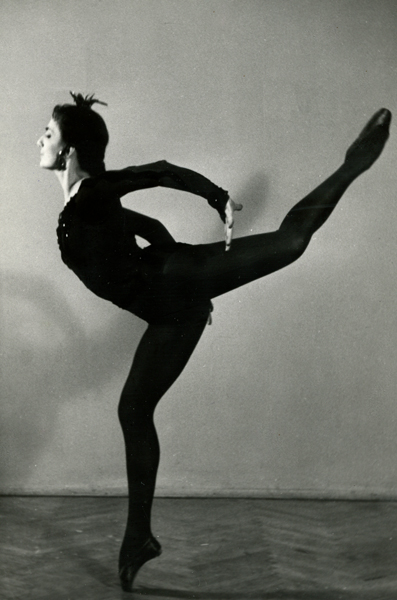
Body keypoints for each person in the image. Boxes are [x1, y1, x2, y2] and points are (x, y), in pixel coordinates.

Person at [37, 92, 391, 592]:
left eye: (48, 134)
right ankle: (139, 538)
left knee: (290, 243)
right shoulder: (87, 205)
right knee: (133, 409)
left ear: (70, 150)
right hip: (170, 314)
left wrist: (215, 197)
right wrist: (181, 298)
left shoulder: (93, 193)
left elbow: (157, 170)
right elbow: (150, 226)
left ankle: (355, 163)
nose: (40, 139)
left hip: (178, 284)